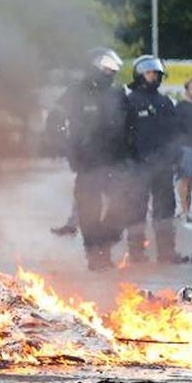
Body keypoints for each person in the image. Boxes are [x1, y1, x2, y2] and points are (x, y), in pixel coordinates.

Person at [60, 48, 129, 271]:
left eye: (113, 70)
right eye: (107, 69)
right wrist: (72, 153)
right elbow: (61, 124)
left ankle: (105, 247)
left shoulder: (118, 93)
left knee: (123, 204)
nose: (111, 73)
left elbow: (130, 126)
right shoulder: (77, 92)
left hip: (114, 161)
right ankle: (94, 255)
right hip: (87, 162)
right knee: (88, 209)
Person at [123, 54, 182, 263]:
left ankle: (167, 253)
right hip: (138, 166)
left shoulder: (165, 102)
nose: (153, 77)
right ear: (140, 75)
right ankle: (137, 254)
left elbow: (175, 131)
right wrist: (129, 158)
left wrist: (175, 155)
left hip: (163, 166)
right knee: (136, 210)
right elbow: (122, 134)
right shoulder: (130, 102)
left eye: (156, 73)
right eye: (149, 73)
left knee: (165, 210)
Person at [173, 78, 192, 225]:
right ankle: (185, 211)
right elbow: (174, 129)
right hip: (186, 148)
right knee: (185, 180)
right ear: (187, 90)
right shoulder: (180, 107)